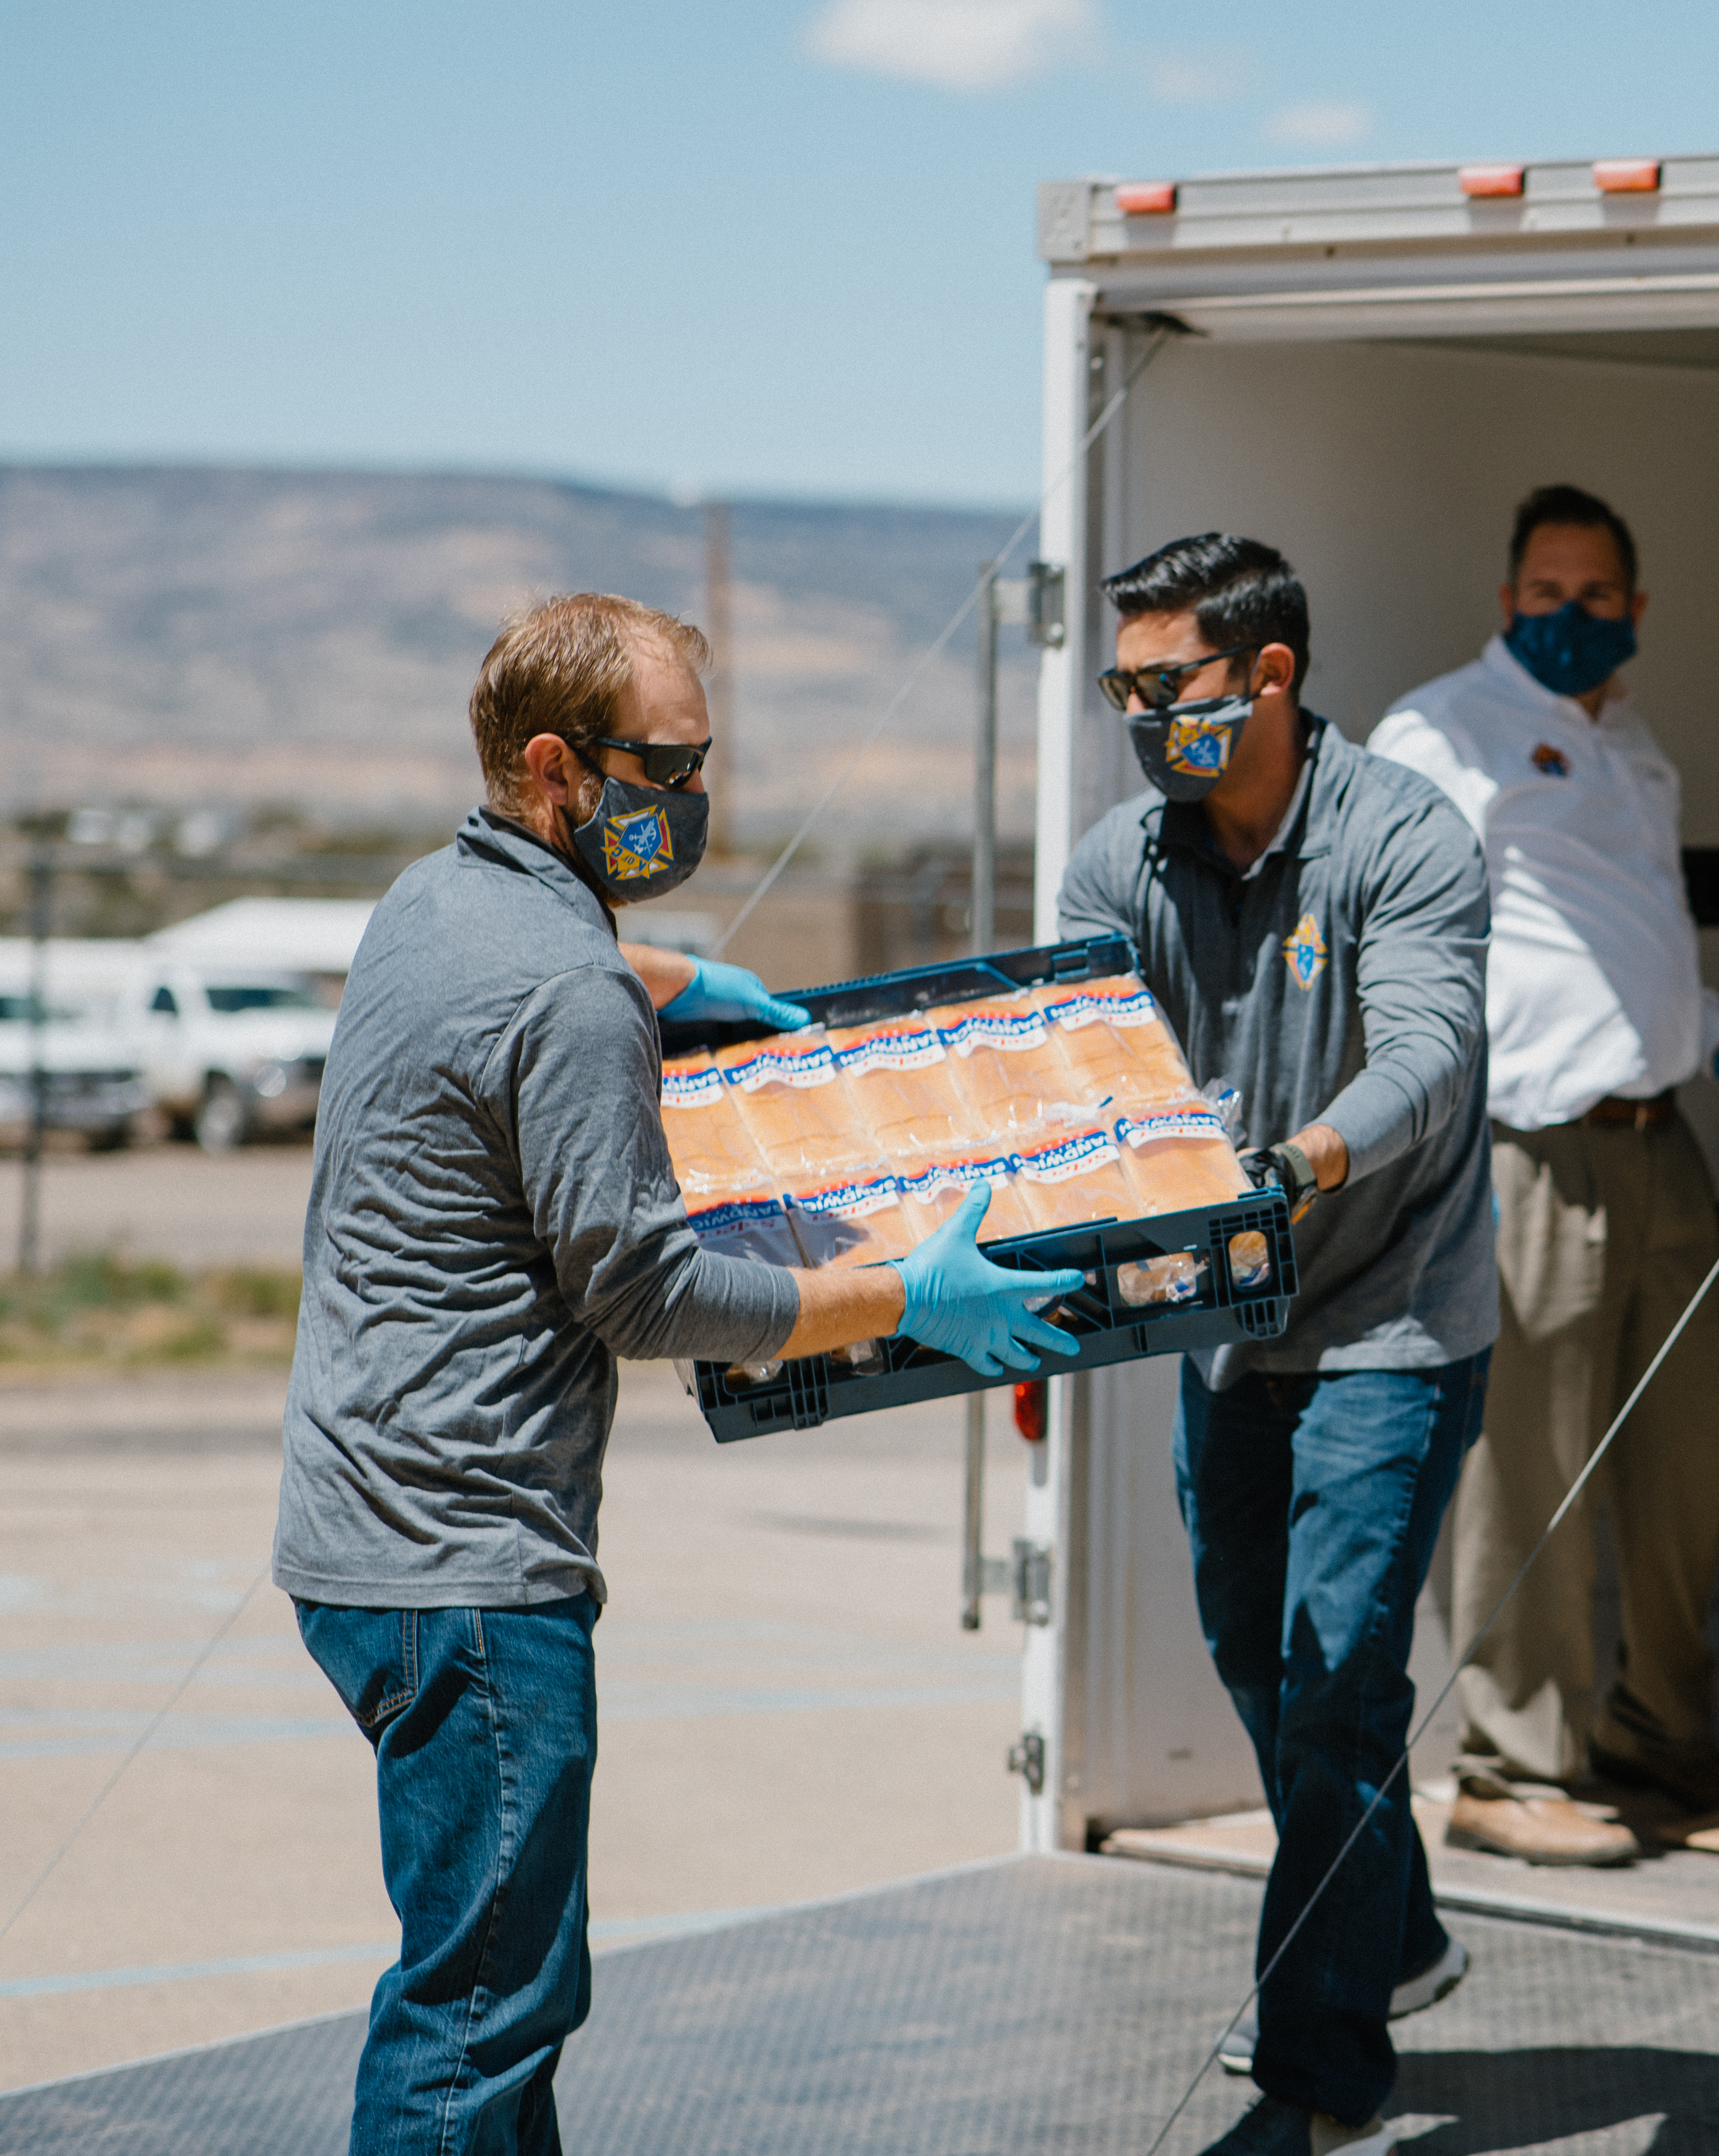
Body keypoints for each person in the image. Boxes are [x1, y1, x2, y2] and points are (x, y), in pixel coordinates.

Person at [273, 592, 1081, 2156]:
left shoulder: (430, 902)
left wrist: (662, 979)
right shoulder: (567, 989)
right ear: (562, 770)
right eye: (672, 767)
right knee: (479, 2021)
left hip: (358, 1538)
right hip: (472, 1575)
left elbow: (531, 996)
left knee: (498, 1991)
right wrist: (901, 1290)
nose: (698, 800)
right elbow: (645, 1293)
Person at [1057, 534, 1495, 2156]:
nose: (1141, 716)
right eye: (1125, 687)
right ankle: (1403, 1930)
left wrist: (1305, 1160)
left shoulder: (1404, 836)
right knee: (1263, 1659)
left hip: (1391, 1322)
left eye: (1165, 686)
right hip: (1225, 1331)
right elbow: (1081, 1072)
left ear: (1271, 678)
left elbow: (1434, 1051)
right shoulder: (1121, 864)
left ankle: (1317, 2086)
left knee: (1333, 1679)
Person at [1371, 484, 1719, 1869]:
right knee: (1526, 1468)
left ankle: (1655, 1734)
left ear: (1636, 610)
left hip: (1659, 1144)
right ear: (1507, 604)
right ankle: (1511, 1762)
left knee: (1687, 1454)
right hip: (1527, 1150)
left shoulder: (1636, 751)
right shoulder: (1446, 734)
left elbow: (1630, 942)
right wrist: (1439, 1150)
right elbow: (1399, 947)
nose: (1572, 617)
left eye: (1597, 596)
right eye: (1546, 594)